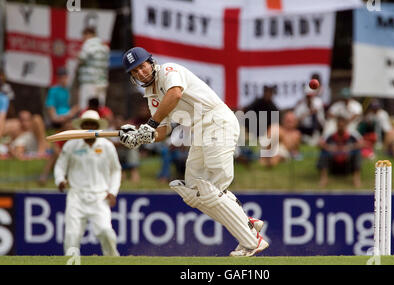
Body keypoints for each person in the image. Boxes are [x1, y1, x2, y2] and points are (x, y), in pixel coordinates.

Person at [119, 47, 268, 256]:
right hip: (199, 130)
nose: (140, 73)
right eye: (135, 71)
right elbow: (165, 128)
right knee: (193, 189)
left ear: (151, 62)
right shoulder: (151, 94)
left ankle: (252, 240)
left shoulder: (169, 71)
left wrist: (150, 125)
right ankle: (247, 223)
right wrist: (142, 136)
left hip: (217, 121)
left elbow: (175, 93)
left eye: (142, 66)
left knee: (211, 188)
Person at [54, 110, 121, 256]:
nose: (90, 127)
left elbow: (116, 170)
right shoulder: (71, 145)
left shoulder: (107, 146)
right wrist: (60, 179)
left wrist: (113, 191)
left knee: (105, 232)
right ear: (81, 126)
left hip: (100, 197)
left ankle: (113, 261)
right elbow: (60, 166)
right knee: (72, 235)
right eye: (86, 124)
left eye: (93, 124)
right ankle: (71, 262)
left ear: (97, 126)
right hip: (76, 196)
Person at [317, 115, 363, 188]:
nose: (341, 127)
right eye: (339, 125)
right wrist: (329, 148)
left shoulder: (352, 135)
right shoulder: (330, 135)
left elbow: (362, 144)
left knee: (357, 152)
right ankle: (324, 178)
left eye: (342, 125)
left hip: (348, 164)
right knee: (324, 152)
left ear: (346, 125)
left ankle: (356, 178)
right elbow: (319, 144)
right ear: (337, 125)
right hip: (333, 163)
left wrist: (349, 147)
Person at [76, 27, 110, 110]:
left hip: (89, 82)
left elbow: (81, 58)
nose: (82, 38)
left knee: (85, 108)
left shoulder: (88, 44)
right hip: (102, 82)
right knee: (100, 108)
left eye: (83, 36)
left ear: (88, 35)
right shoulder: (104, 47)